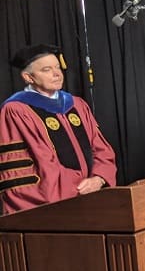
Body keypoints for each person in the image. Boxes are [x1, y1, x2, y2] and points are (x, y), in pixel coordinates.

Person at [0, 44, 117, 215]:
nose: (57, 74)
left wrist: (99, 178)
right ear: (28, 77)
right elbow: (40, 163)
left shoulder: (76, 104)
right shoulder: (17, 111)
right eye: (47, 70)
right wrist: (80, 187)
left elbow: (101, 148)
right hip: (54, 209)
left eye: (58, 67)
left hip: (93, 198)